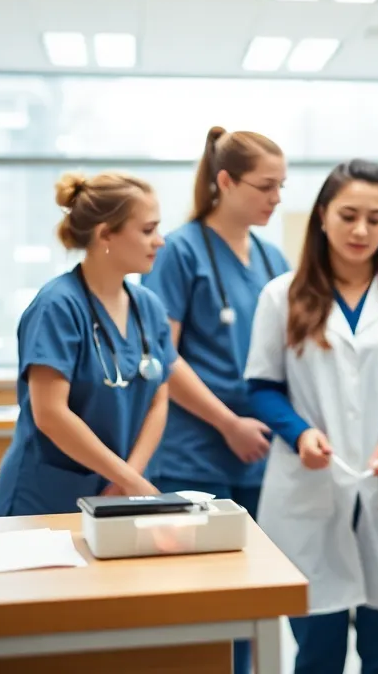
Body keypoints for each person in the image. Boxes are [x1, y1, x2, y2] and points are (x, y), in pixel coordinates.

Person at [244, 160, 378, 674]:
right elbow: (262, 387)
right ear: (322, 217)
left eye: (375, 218)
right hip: (313, 484)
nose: (362, 230)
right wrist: (299, 433)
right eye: (349, 215)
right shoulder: (283, 295)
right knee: (318, 648)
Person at [139, 126, 288, 674]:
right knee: (204, 602)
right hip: (197, 451)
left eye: (282, 187)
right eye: (265, 186)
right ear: (224, 181)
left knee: (250, 595)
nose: (276, 198)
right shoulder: (179, 250)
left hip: (263, 448)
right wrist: (228, 423)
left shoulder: (273, 260)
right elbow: (164, 356)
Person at [0, 172, 176, 516]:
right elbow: (50, 413)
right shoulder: (57, 306)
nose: (160, 241)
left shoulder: (148, 307)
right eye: (148, 230)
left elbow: (158, 399)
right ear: (105, 233)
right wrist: (129, 482)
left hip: (119, 492)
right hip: (48, 498)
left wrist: (128, 478)